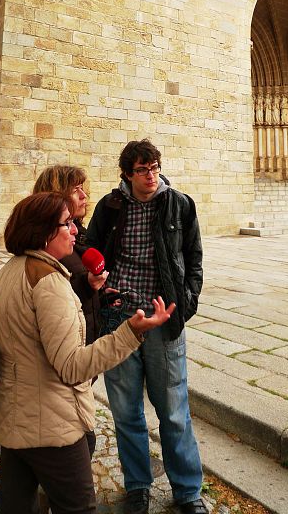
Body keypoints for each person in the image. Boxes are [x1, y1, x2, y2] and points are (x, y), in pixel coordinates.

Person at [0, 191, 175, 514]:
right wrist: (131, 332)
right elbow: (71, 366)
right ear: (43, 233)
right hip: (52, 428)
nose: (74, 230)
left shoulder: (9, 271)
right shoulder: (50, 284)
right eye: (66, 223)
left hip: (16, 424)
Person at [85, 139, 205, 514]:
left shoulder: (179, 204)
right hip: (120, 320)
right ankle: (138, 486)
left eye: (154, 167)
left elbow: (194, 257)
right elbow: (91, 247)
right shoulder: (110, 206)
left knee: (173, 409)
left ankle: (187, 491)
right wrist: (99, 285)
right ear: (127, 173)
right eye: (142, 169)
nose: (150, 175)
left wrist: (186, 302)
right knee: (125, 411)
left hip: (163, 322)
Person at [33, 166, 103, 347]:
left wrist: (102, 294)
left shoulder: (79, 235)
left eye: (82, 188)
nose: (83, 196)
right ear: (56, 196)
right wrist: (87, 285)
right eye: (75, 190)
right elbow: (51, 296)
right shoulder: (49, 243)